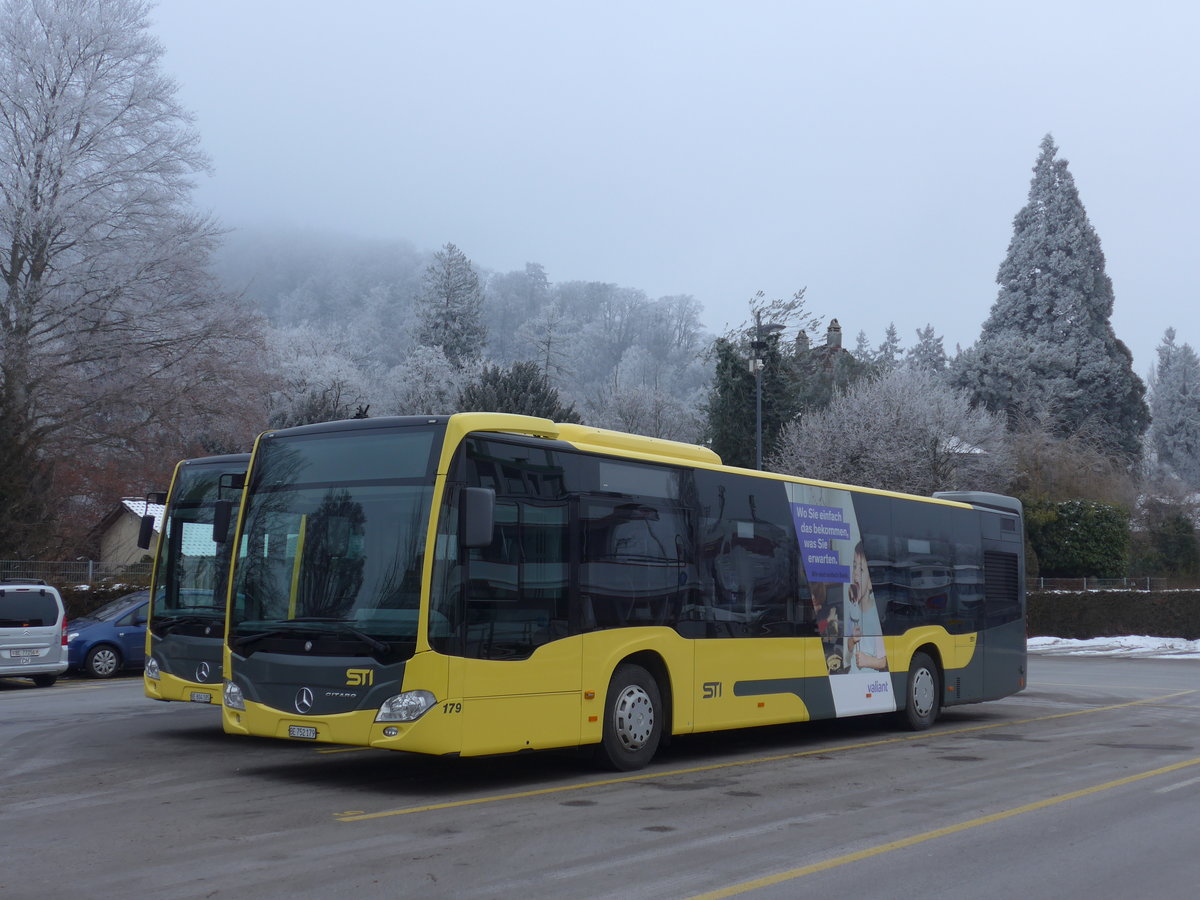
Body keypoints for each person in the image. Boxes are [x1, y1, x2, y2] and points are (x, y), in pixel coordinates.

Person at [846, 542, 887, 673]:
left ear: (870, 583)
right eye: (854, 567)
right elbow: (849, 647)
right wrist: (852, 640)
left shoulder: (876, 616)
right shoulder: (853, 610)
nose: (856, 574)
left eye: (861, 569)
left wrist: (866, 661)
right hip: (853, 677)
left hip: (871, 681)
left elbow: (883, 661)